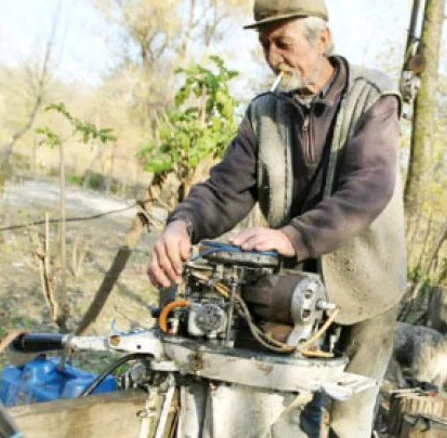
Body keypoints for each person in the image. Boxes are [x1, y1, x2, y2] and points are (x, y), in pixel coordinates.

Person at [146, 0, 407, 436]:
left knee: (350, 417)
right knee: (277, 405)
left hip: (369, 282)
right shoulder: (263, 112)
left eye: (282, 43)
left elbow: (369, 186)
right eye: (264, 44)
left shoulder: (374, 96)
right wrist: (182, 223)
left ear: (322, 39)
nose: (272, 58)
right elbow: (226, 189)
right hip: (291, 286)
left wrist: (292, 236)